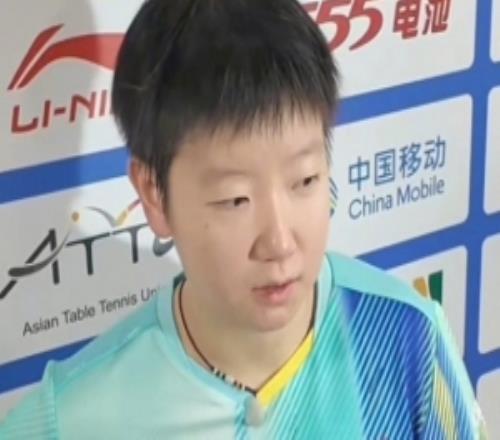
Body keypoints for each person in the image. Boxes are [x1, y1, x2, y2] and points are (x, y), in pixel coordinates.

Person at [0, 0, 488, 438]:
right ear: (153, 193)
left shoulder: (405, 338)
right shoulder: (73, 416)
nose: (279, 242)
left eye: (304, 180)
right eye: (235, 200)